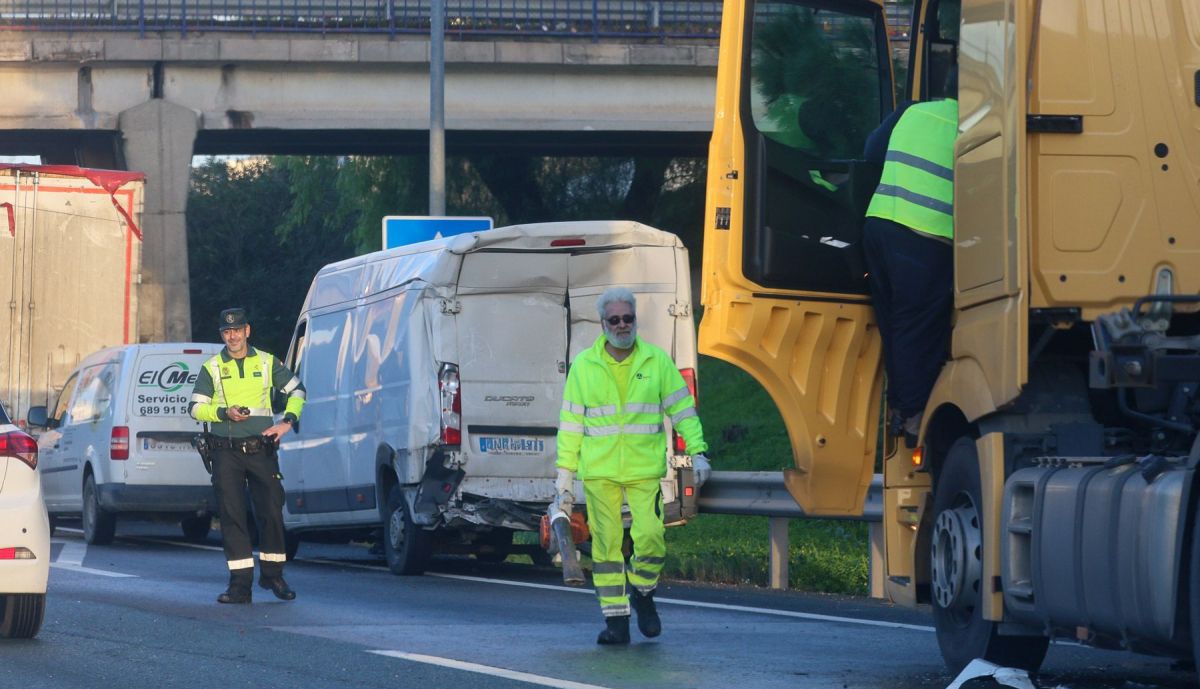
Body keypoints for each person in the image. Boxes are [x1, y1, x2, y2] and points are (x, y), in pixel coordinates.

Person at [555, 287, 711, 644]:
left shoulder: (656, 362)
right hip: (600, 474)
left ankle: (643, 594)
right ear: (602, 323)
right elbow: (571, 426)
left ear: (635, 320)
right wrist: (565, 475)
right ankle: (616, 623)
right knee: (606, 550)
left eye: (628, 318)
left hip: (643, 471)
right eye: (615, 319)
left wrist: (698, 451)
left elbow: (683, 411)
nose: (622, 325)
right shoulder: (584, 367)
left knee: (651, 540)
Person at [862, 66, 959, 445]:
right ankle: (914, 414)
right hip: (924, 238)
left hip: (879, 226)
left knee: (894, 326)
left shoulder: (911, 111)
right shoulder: (975, 129)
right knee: (917, 329)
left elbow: (871, 152)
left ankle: (902, 407)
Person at [189, 308, 306, 604]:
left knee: (271, 512)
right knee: (232, 516)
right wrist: (221, 412)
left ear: (247, 331)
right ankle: (240, 585)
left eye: (238, 330)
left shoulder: (267, 362)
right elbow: (195, 408)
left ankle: (273, 575)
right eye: (227, 332)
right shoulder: (212, 367)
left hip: (261, 448)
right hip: (225, 450)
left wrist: (287, 422)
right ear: (222, 335)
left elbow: (298, 391)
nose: (233, 336)